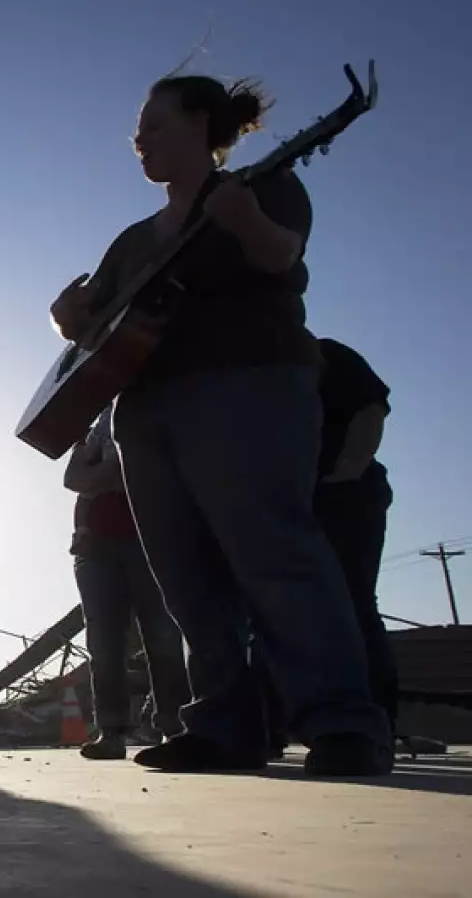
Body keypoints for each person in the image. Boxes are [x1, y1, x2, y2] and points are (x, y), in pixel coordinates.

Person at [50, 74, 392, 775]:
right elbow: (98, 336)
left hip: (251, 384)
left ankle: (343, 724)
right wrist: (72, 320)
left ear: (204, 125)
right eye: (136, 132)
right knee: (184, 575)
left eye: (156, 125)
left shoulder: (264, 184)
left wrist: (246, 224)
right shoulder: (132, 240)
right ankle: (225, 727)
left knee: (274, 551)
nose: (140, 140)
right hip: (146, 410)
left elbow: (281, 256)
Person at [264, 337, 398, 752]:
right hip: (284, 500)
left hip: (343, 495)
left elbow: (370, 407)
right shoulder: (250, 378)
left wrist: (347, 471)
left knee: (353, 602)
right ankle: (272, 725)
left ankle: (374, 724)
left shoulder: (322, 353)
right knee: (272, 614)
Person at [64, 406, 189, 759]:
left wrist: (102, 475)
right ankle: (112, 731)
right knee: (103, 645)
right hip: (97, 549)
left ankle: (172, 726)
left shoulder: (160, 407)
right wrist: (115, 468)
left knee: (163, 637)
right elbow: (75, 480)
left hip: (152, 539)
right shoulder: (100, 424)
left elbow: (154, 471)